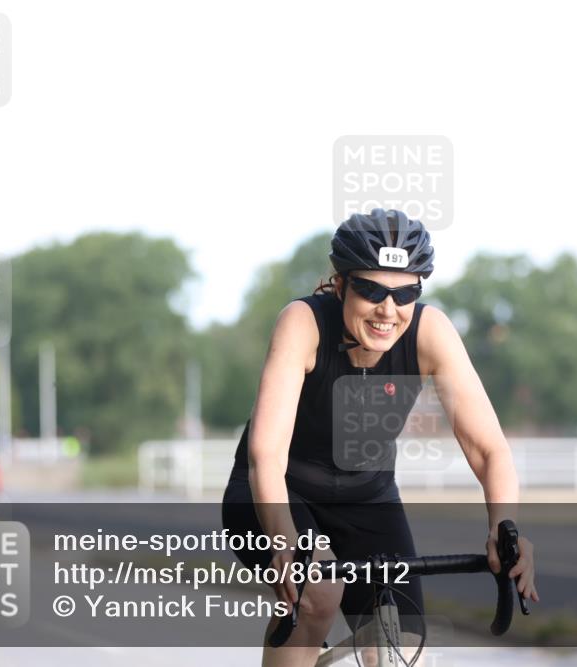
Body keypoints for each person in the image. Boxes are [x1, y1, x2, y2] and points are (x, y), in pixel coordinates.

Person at [221, 209, 539, 666]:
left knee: (401, 647)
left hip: (366, 498)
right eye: (371, 290)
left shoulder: (432, 332)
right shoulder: (303, 322)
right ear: (340, 284)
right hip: (278, 491)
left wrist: (503, 529)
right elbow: (266, 455)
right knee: (318, 594)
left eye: (405, 293)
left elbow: (489, 451)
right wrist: (285, 540)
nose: (388, 310)